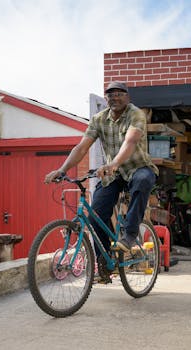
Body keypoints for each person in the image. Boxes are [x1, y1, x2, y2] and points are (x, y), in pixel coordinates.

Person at [44, 81, 158, 283]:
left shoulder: (136, 114)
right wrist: (62, 170)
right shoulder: (98, 119)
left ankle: (130, 234)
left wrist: (113, 163)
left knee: (142, 182)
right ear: (105, 99)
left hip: (137, 168)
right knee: (95, 216)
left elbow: (130, 141)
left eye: (120, 94)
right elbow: (81, 147)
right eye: (110, 94)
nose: (115, 97)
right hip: (112, 174)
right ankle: (105, 267)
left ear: (127, 97)